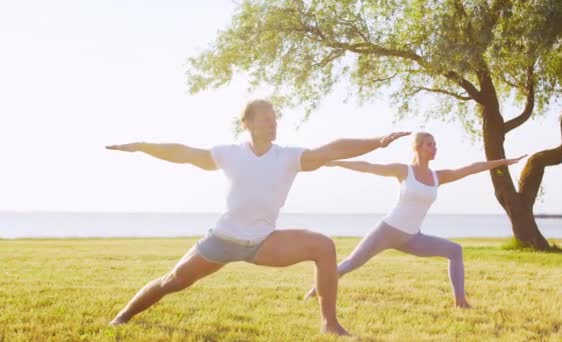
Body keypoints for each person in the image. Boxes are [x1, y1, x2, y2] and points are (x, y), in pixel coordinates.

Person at [105, 99, 409, 335]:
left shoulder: (289, 157)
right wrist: (144, 146)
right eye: (266, 118)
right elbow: (184, 153)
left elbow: (331, 149)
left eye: (275, 118)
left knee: (323, 246)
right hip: (222, 239)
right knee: (173, 281)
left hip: (263, 242)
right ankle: (122, 317)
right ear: (247, 122)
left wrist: (377, 141)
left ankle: (330, 323)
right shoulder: (229, 153)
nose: (273, 123)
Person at [304, 131, 525, 308]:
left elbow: (470, 169)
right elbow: (369, 168)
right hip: (387, 230)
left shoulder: (439, 176)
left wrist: (504, 161)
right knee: (350, 264)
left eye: (435, 144)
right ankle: (315, 291)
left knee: (455, 251)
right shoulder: (404, 171)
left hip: (411, 237)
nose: (434, 148)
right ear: (418, 147)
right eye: (430, 144)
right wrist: (336, 162)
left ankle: (460, 302)